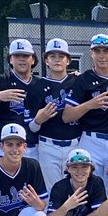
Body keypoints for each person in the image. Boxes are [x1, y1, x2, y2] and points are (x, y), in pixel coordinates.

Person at [63, 33, 108, 192]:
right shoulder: (83, 79)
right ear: (91, 53)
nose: (101, 55)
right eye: (97, 51)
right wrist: (90, 104)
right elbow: (67, 116)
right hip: (91, 140)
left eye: (105, 51)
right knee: (89, 189)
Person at [0, 38, 47, 160]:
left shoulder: (40, 84)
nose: (21, 59)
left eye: (25, 56)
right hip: (2, 144)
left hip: (31, 145)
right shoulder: (1, 81)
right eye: (17, 56)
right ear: (10, 59)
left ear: (33, 59)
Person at [32, 37, 79, 188]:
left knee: (75, 190)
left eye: (61, 56)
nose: (57, 60)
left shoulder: (78, 81)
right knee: (51, 191)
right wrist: (38, 120)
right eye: (52, 56)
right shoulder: (38, 86)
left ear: (68, 61)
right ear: (46, 61)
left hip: (75, 144)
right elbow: (31, 127)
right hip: (48, 145)